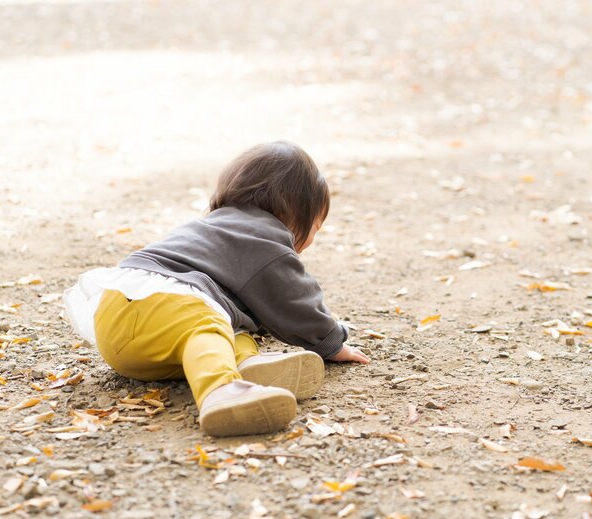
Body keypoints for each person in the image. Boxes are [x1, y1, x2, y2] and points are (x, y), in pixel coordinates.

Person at [64, 141, 370, 437]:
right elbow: (294, 299)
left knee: (228, 328)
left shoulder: (213, 228)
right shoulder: (266, 239)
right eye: (315, 227)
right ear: (295, 213)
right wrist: (330, 342)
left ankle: (247, 366)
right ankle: (221, 391)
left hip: (119, 327)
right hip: (161, 303)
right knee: (207, 324)